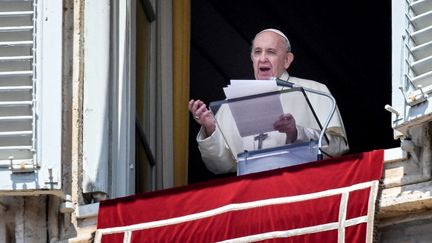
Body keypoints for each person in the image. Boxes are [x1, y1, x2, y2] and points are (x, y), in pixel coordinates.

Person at [188, 28, 349, 174]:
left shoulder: (314, 91)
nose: (262, 58)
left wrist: (297, 133)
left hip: (301, 187)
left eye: (271, 52)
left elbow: (338, 148)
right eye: (257, 52)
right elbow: (219, 166)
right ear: (252, 58)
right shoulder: (232, 101)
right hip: (251, 193)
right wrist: (210, 128)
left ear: (287, 60)